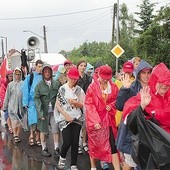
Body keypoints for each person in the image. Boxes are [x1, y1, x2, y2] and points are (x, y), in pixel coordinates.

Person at [123, 63, 170, 170]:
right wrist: (142, 106)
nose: (164, 85)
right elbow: (128, 121)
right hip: (152, 149)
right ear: (154, 81)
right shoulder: (145, 95)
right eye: (161, 82)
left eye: (167, 83)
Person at [116, 60, 152, 170]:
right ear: (138, 74)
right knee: (131, 161)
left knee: (144, 161)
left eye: (148, 72)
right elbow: (120, 105)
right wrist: (125, 89)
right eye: (143, 72)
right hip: (131, 131)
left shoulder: (155, 87)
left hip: (148, 131)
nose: (146, 75)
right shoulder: (131, 87)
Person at [85, 65, 120, 170]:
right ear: (98, 75)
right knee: (94, 144)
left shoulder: (113, 87)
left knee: (112, 145)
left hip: (109, 120)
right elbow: (89, 104)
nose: (105, 81)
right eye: (103, 78)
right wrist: (95, 120)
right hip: (96, 120)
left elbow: (118, 100)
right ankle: (93, 166)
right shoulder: (92, 87)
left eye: (107, 79)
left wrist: (112, 105)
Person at [55, 67, 85, 170]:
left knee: (75, 142)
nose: (73, 80)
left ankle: (73, 164)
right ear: (68, 76)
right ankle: (62, 159)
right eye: (72, 78)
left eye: (75, 79)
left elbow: (84, 104)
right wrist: (66, 115)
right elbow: (58, 105)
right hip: (65, 119)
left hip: (77, 118)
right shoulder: (62, 89)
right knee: (67, 141)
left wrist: (76, 103)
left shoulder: (79, 90)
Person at [34, 64, 61, 157]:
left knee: (55, 129)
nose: (47, 73)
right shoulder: (39, 85)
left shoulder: (56, 83)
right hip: (43, 111)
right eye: (45, 71)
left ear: (51, 72)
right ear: (42, 73)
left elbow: (60, 96)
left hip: (54, 110)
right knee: (43, 130)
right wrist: (40, 112)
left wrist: (61, 109)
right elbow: (36, 99)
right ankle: (44, 148)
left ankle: (56, 148)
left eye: (49, 71)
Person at [22, 59, 43, 146]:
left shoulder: (44, 77)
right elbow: (25, 89)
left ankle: (37, 137)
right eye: (39, 66)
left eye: (42, 66)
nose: (40, 68)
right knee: (32, 120)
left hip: (41, 103)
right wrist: (25, 102)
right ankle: (31, 135)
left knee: (39, 121)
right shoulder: (30, 77)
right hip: (32, 103)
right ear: (35, 66)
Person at [3, 67, 23, 143]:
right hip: (12, 106)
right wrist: (5, 106)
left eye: (19, 74)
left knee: (20, 122)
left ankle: (18, 134)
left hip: (21, 107)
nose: (17, 76)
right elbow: (7, 96)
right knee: (14, 121)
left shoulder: (23, 84)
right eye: (16, 74)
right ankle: (15, 135)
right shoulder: (10, 85)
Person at [76, 59, 92, 154]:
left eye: (84, 66)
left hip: (86, 103)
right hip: (76, 103)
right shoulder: (75, 77)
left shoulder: (88, 78)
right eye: (81, 65)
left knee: (85, 125)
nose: (83, 67)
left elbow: (90, 91)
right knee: (77, 124)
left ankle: (84, 143)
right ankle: (77, 144)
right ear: (78, 66)